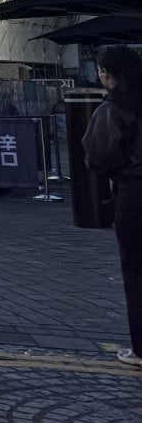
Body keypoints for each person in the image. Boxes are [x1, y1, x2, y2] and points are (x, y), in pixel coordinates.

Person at [81, 45, 142, 370]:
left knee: (136, 272)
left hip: (134, 193)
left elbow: (97, 154)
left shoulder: (114, 108)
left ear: (108, 74)